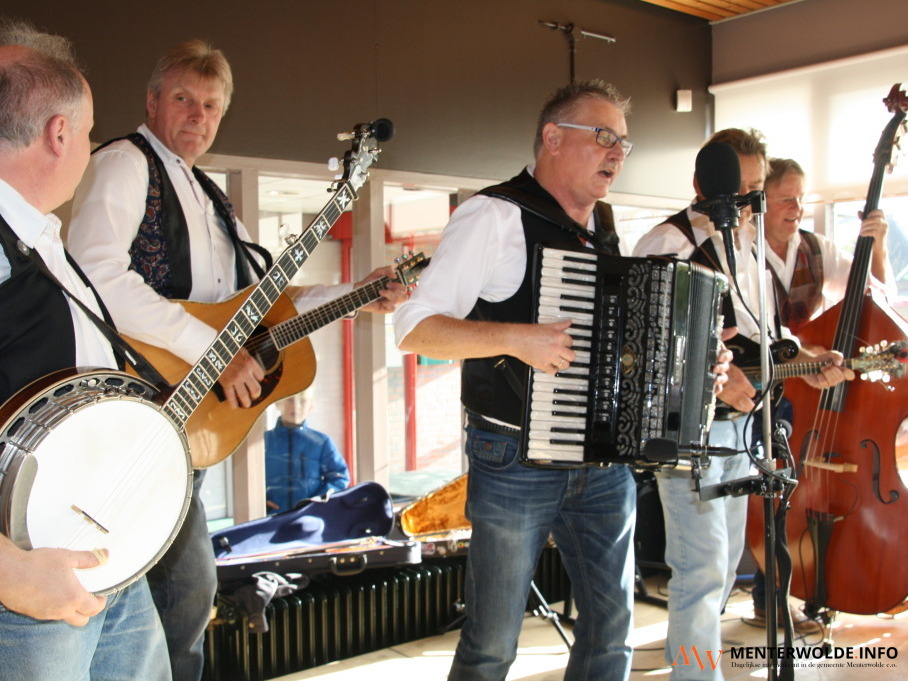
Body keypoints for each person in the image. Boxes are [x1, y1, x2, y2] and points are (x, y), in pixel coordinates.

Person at [66, 40, 406, 681]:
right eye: (183, 99)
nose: (197, 116)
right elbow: (96, 277)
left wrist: (356, 293)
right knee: (168, 603)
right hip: (143, 410)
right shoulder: (125, 163)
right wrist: (212, 354)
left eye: (211, 106)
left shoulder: (208, 195)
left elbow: (265, 300)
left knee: (183, 603)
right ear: (152, 102)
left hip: (185, 428)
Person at [394, 79, 733, 681]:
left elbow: (622, 345)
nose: (617, 153)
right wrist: (517, 339)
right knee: (493, 643)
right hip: (513, 457)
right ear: (552, 138)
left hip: (602, 463)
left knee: (611, 632)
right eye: (603, 136)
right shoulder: (495, 214)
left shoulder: (603, 224)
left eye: (623, 142)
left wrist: (692, 367)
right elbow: (414, 328)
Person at [632, 129, 853, 681]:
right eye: (740, 188)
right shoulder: (669, 242)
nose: (749, 203)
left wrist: (808, 360)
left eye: (756, 189)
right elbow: (647, 345)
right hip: (689, 432)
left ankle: (693, 669)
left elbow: (763, 332)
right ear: (703, 182)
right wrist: (714, 380)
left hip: (741, 428)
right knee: (702, 571)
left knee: (725, 568)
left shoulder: (747, 241)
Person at [0, 18, 170, 680]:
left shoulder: (42, 239)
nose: (92, 147)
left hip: (107, 551)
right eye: (90, 132)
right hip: (32, 582)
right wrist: (11, 573)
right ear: (59, 134)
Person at [746, 156, 893, 629]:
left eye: (801, 198)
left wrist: (877, 246)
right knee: (767, 490)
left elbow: (874, 297)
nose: (797, 208)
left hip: (809, 392)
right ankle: (768, 595)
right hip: (756, 387)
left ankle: (794, 589)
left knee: (792, 486)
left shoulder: (816, 249)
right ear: (761, 200)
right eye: (786, 199)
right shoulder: (741, 249)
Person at [265, 386, 351, 512]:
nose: (296, 406)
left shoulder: (321, 442)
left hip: (309, 517)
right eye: (290, 400)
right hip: (270, 517)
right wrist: (261, 501)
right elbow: (248, 479)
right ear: (277, 404)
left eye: (303, 401)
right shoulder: (263, 443)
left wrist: (317, 501)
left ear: (311, 406)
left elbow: (339, 477)